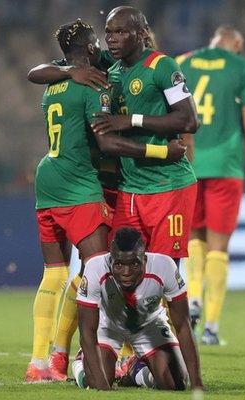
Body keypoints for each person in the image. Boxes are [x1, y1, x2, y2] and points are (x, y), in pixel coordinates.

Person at [26, 19, 186, 383]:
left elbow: (37, 72)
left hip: (56, 181)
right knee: (98, 272)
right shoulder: (98, 78)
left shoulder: (64, 79)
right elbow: (107, 141)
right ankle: (98, 355)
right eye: (104, 38)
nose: (108, 44)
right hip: (99, 184)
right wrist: (163, 151)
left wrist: (69, 70)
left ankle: (51, 359)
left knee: (64, 272)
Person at [91, 6, 199, 265]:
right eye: (108, 32)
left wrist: (131, 120)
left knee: (163, 271)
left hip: (169, 184)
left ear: (140, 34)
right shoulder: (112, 73)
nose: (112, 38)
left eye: (120, 32)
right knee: (117, 267)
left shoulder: (161, 66)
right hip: (130, 188)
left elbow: (189, 120)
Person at [175, 26, 245, 345]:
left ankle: (194, 297)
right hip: (226, 166)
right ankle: (210, 326)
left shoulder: (181, 62)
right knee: (218, 248)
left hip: (189, 164)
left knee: (194, 240)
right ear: (236, 43)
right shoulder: (242, 67)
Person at [73, 227, 204, 391]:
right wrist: (101, 386)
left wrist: (197, 382)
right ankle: (81, 361)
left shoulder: (165, 267)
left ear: (145, 258)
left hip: (149, 325)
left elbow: (183, 325)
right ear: (110, 259)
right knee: (95, 381)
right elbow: (87, 331)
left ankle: (135, 370)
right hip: (108, 326)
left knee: (175, 383)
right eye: (119, 264)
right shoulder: (95, 267)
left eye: (134, 264)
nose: (126, 272)